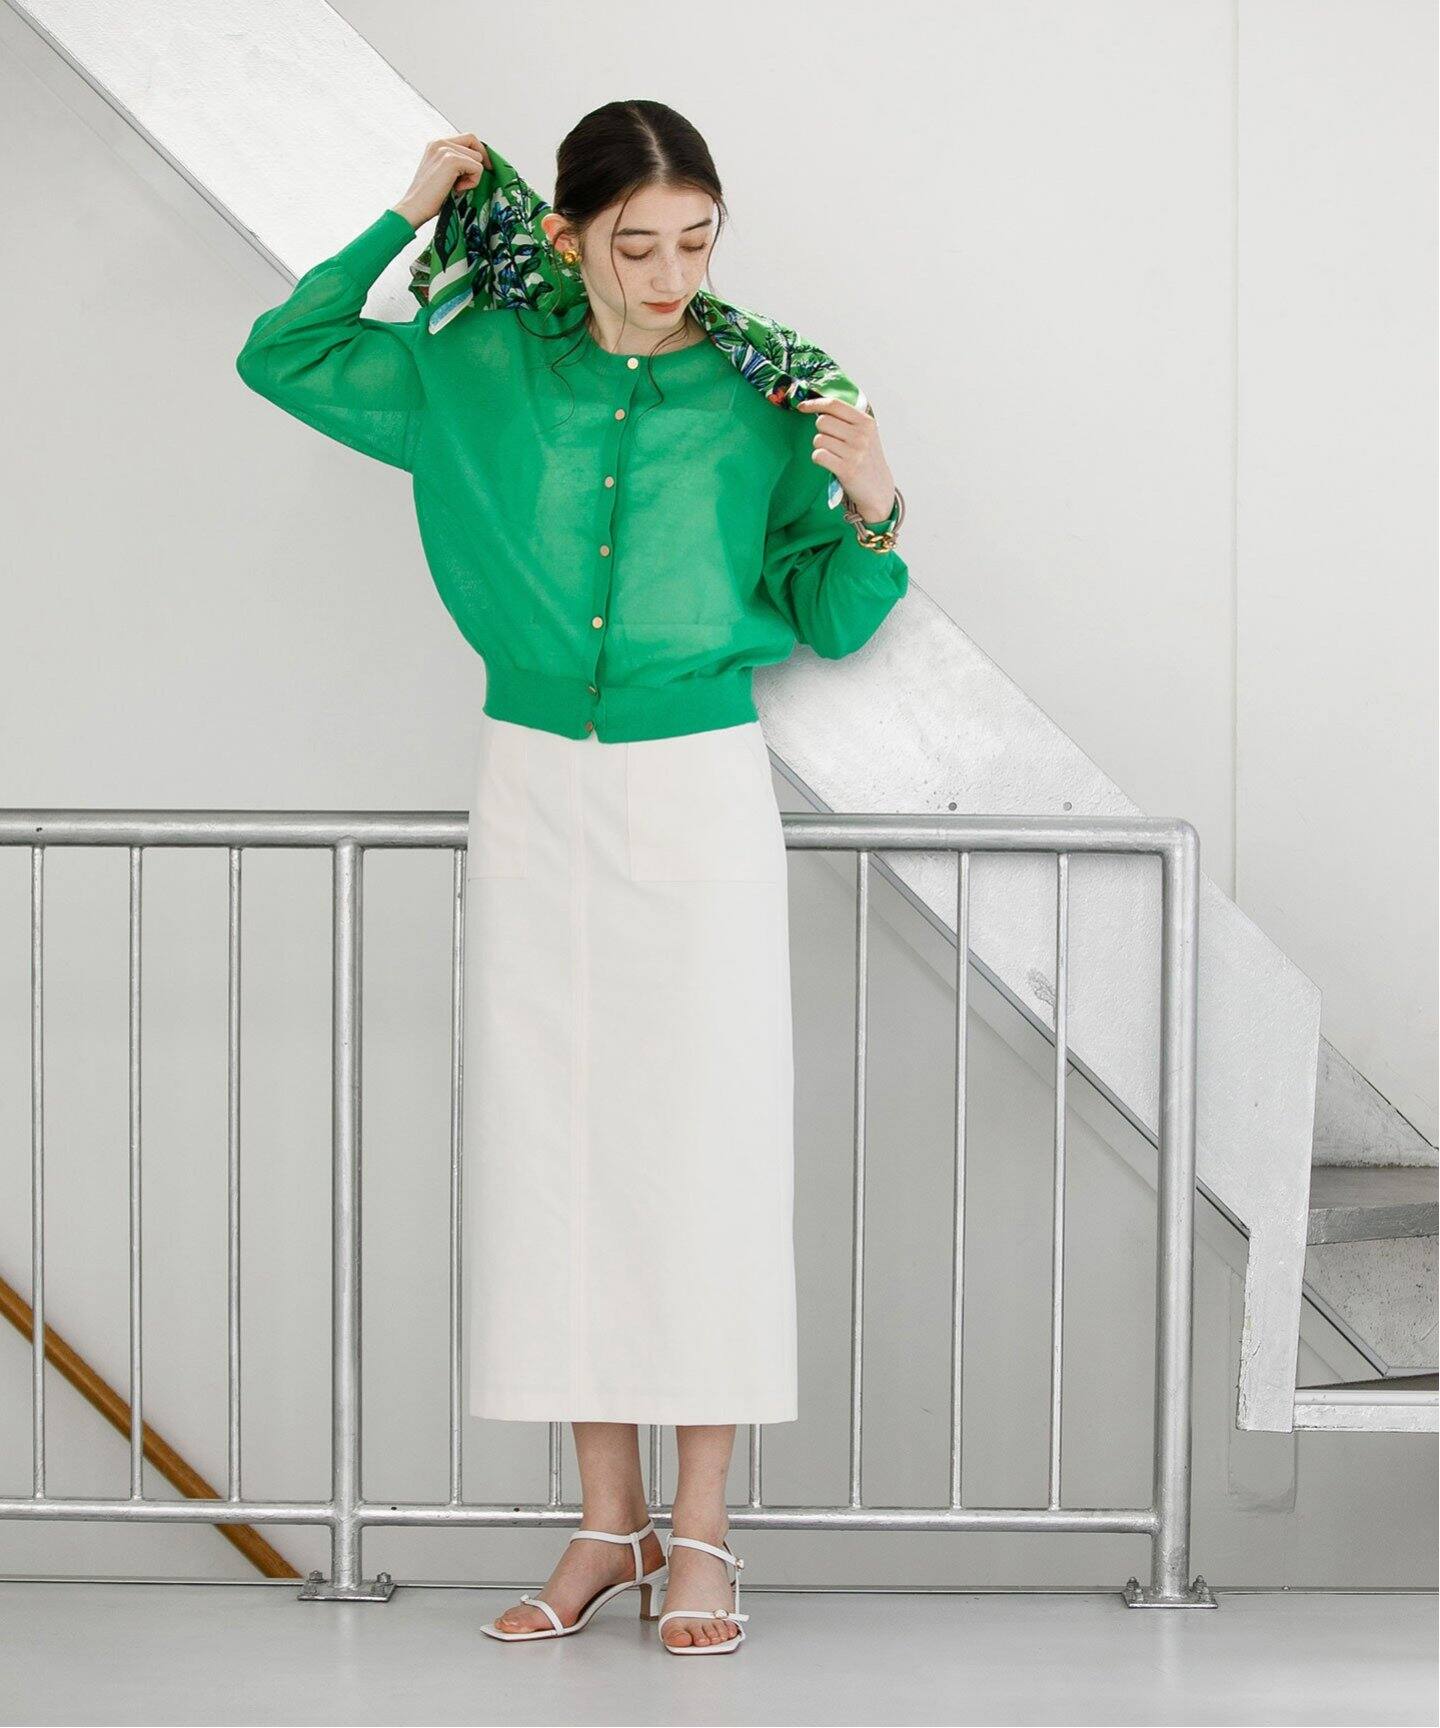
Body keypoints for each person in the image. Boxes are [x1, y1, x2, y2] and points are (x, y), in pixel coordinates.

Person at [235, 99, 908, 1655]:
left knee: (705, 1148)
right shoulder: (477, 364)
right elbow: (286, 353)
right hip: (534, 785)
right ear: (566, 234)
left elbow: (828, 609)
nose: (671, 277)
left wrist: (873, 498)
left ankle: (704, 1533)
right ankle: (608, 1526)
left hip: (700, 795)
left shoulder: (762, 396)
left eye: (697, 244)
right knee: (559, 1147)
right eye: (637, 244)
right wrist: (410, 210)